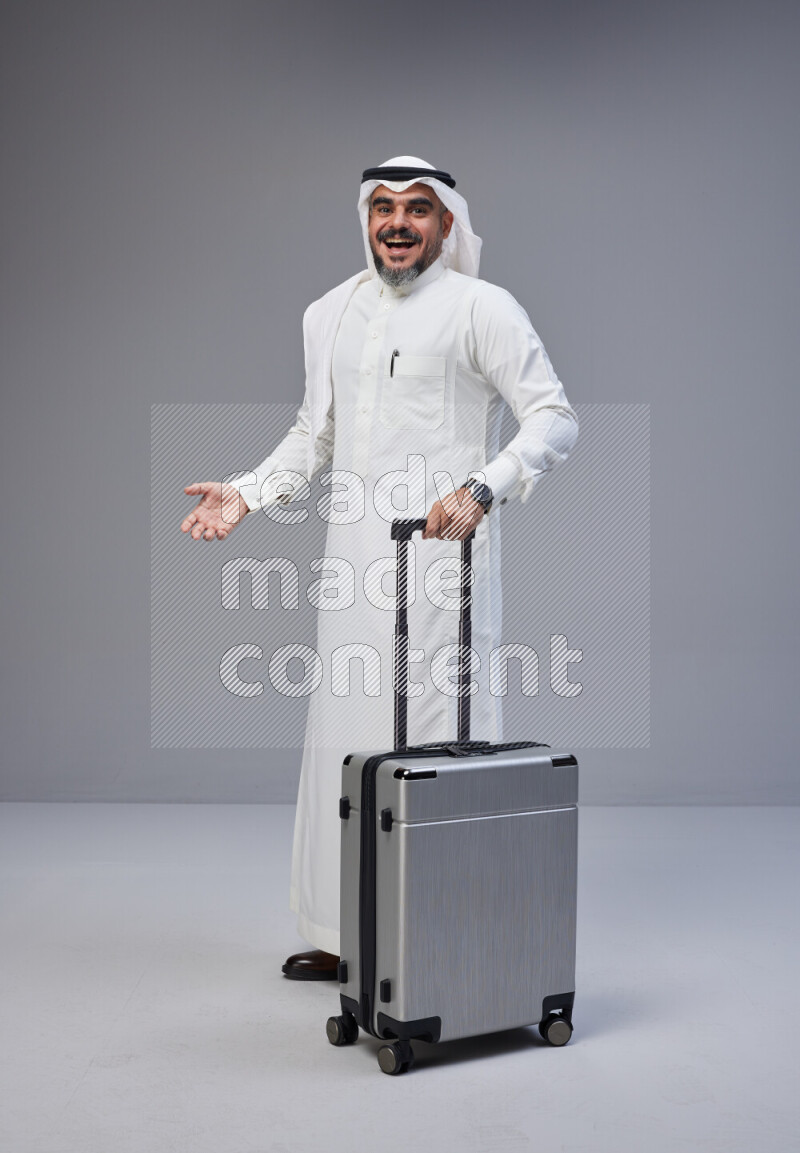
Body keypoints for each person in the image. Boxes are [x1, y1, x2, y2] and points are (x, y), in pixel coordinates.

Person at [180, 156, 578, 980]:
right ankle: (345, 931)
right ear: (367, 218)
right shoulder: (330, 311)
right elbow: (313, 435)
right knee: (346, 734)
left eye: (419, 209)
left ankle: (433, 936)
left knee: (436, 734)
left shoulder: (482, 308)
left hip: (442, 562)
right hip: (350, 559)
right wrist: (249, 494)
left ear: (446, 223)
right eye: (384, 208)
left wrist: (484, 487)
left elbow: (553, 417)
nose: (398, 223)